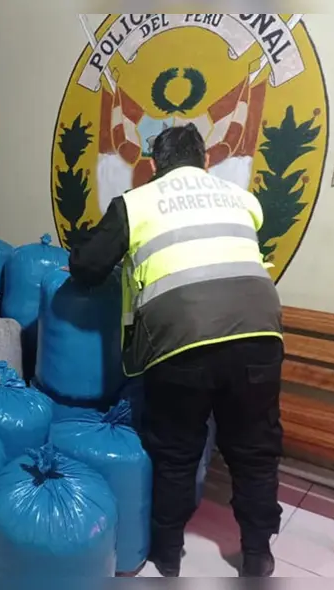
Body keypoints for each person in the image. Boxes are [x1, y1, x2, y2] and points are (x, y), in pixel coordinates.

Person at [66, 124, 284, 578]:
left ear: (153, 165)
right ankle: (258, 553)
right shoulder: (241, 198)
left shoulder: (138, 201)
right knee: (254, 449)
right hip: (260, 333)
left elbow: (87, 267)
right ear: (204, 160)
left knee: (177, 450)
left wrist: (82, 244)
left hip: (183, 340)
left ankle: (167, 554)